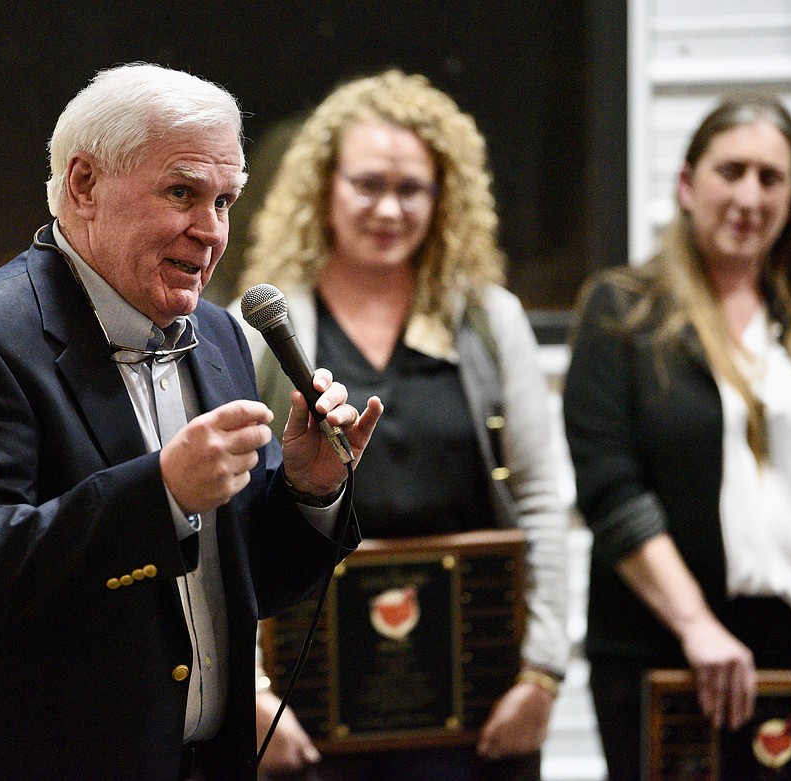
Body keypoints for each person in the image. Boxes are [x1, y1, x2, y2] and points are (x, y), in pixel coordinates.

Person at [0, 63, 383, 781]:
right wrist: (161, 493)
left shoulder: (218, 336)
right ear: (83, 185)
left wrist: (308, 490)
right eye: (182, 192)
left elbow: (245, 584)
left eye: (225, 200)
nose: (211, 232)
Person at [234, 69, 570, 781]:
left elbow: (541, 499)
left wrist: (543, 672)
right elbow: (226, 523)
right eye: (367, 184)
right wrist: (253, 693)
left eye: (411, 188)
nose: (389, 208)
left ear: (445, 197)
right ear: (323, 187)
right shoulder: (263, 331)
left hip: (475, 710)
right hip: (308, 715)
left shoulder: (488, 321)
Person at [563, 93, 791, 781]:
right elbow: (611, 489)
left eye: (771, 177)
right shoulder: (622, 312)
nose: (750, 196)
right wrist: (697, 626)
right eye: (731, 171)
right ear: (687, 185)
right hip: (666, 652)